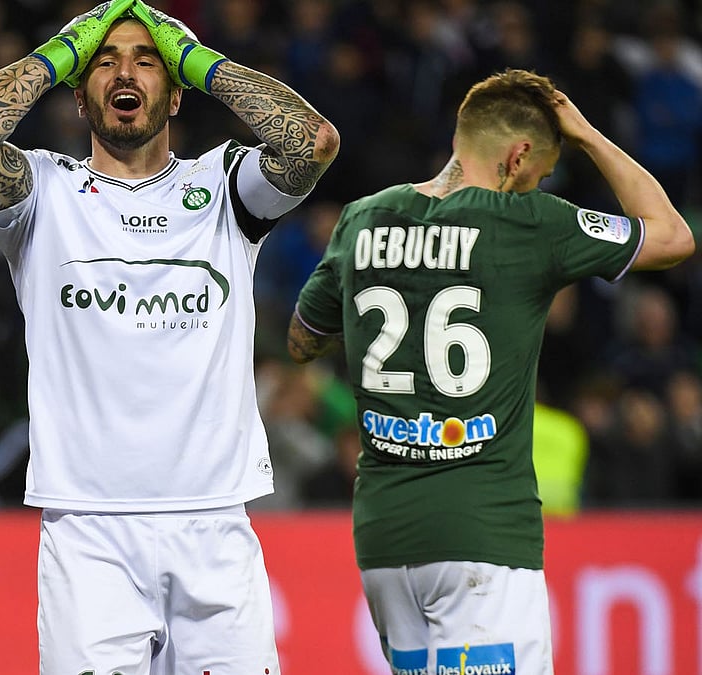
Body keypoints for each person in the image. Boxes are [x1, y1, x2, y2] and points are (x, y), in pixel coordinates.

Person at [0, 1, 338, 673]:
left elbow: (313, 142)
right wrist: (61, 50)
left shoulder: (223, 187)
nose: (126, 72)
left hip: (213, 523)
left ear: (174, 93)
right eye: (105, 63)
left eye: (146, 62)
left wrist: (198, 60)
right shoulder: (42, 191)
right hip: (87, 531)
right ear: (82, 98)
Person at [287, 68, 694, 674]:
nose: (537, 184)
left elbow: (301, 341)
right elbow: (672, 237)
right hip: (482, 536)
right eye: (543, 171)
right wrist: (586, 135)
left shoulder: (363, 218)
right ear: (519, 153)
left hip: (384, 540)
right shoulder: (530, 223)